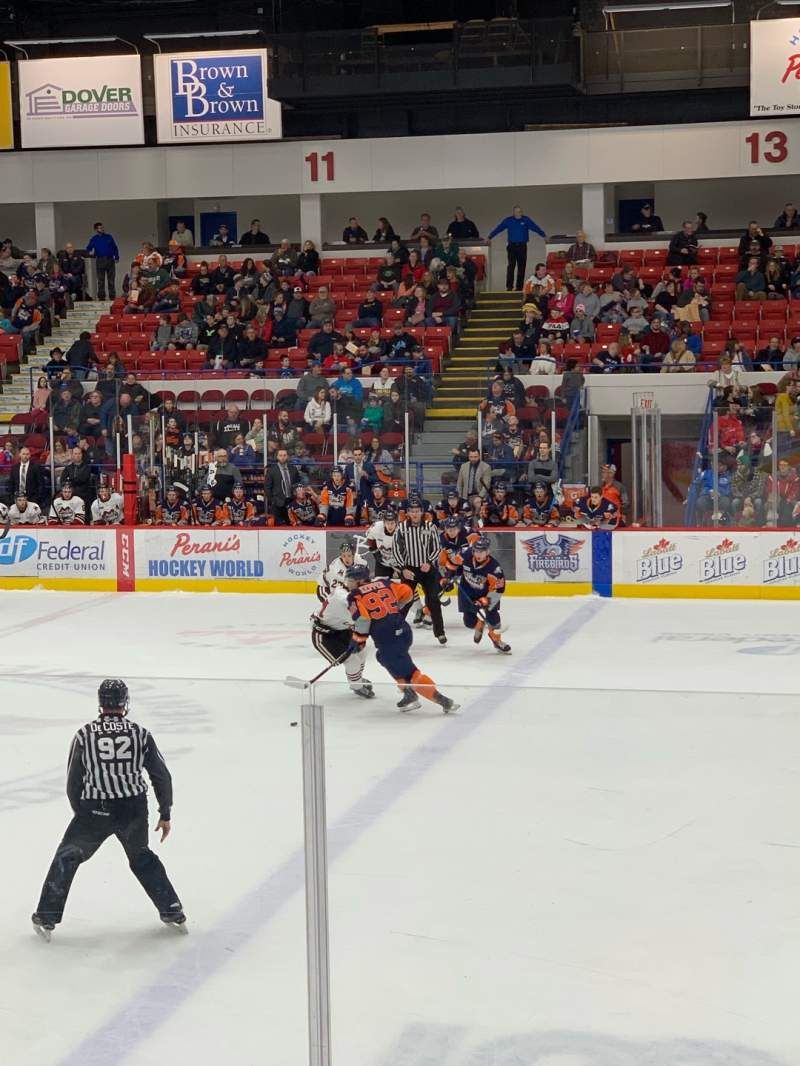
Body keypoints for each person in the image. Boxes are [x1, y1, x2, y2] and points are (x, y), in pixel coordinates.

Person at [31, 679, 185, 940]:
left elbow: (73, 781)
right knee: (141, 857)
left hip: (96, 810)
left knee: (67, 857)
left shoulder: (85, 734)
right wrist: (165, 812)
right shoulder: (140, 734)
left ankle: (46, 916)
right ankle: (172, 909)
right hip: (134, 809)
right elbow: (161, 775)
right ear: (125, 702)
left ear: (100, 702)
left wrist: (82, 813)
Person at [345, 566, 458, 713]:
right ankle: (408, 693)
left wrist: (358, 640)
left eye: (350, 580)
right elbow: (408, 592)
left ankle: (444, 701)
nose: (348, 583)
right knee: (383, 657)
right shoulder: (384, 583)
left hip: (388, 638)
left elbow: (363, 620)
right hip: (404, 632)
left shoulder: (355, 595)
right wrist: (394, 608)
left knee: (411, 672)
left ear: (359, 580)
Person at [391, 497, 447, 644]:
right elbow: (396, 550)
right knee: (404, 601)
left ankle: (440, 632)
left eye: (417, 511)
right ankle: (396, 630)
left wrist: (429, 562)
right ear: (407, 513)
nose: (414, 514)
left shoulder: (430, 527)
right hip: (409, 569)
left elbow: (437, 547)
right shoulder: (401, 528)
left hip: (427, 568)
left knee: (433, 599)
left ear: (422, 512)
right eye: (411, 511)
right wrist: (403, 569)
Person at [311, 582, 374, 699]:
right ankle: (356, 686)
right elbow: (363, 621)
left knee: (362, 652)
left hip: (343, 629)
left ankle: (356, 678)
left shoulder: (348, 592)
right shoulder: (344, 600)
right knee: (352, 661)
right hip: (325, 636)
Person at [488, 205, 547, 292]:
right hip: (512, 246)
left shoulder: (526, 219)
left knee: (521, 267)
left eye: (520, 211)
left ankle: (519, 287)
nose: (519, 213)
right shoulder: (508, 220)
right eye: (517, 211)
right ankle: (509, 287)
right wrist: (489, 237)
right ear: (513, 212)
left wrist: (544, 235)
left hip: (522, 246)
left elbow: (535, 227)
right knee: (511, 266)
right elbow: (499, 228)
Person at [265, 448, 300, 525]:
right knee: (279, 526)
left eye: (284, 455)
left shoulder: (293, 469)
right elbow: (267, 487)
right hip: (278, 502)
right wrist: (272, 500)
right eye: (280, 455)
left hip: (291, 501)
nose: (283, 457)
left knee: (291, 524)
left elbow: (298, 483)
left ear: (287, 456)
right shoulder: (271, 470)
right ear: (277, 457)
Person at [86, 222, 120, 300]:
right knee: (101, 281)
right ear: (96, 229)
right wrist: (90, 252)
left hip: (110, 259)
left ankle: (112, 297)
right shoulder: (94, 239)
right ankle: (101, 297)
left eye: (102, 227)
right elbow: (88, 248)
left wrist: (117, 257)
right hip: (100, 260)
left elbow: (115, 247)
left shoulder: (109, 237)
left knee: (111, 280)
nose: (102, 229)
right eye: (100, 228)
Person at [365, 508, 398, 578]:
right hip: (382, 562)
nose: (390, 526)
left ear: (396, 522)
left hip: (399, 563)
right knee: (380, 584)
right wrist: (376, 553)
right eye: (387, 523)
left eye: (392, 523)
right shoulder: (376, 527)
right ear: (383, 522)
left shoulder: (402, 529)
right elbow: (370, 539)